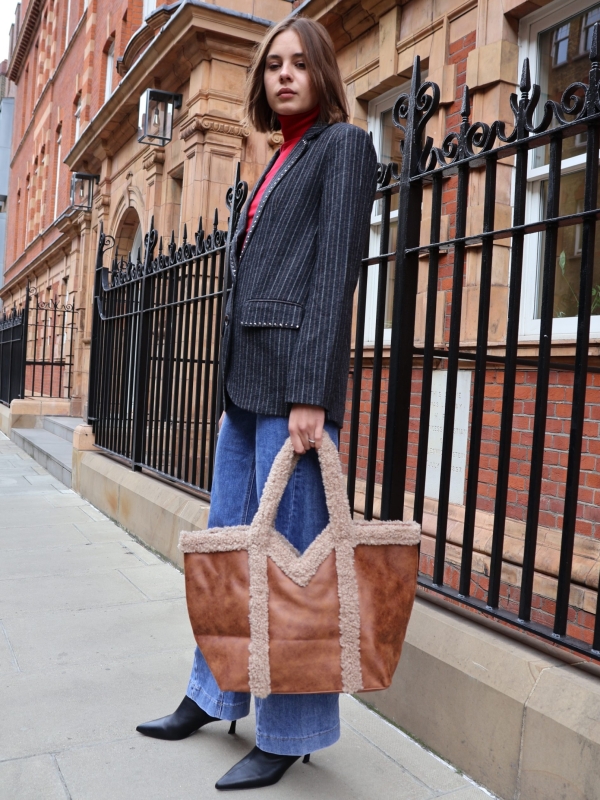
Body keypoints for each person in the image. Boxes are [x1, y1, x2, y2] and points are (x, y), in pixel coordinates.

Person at [136, 15, 377, 791]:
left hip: (291, 396)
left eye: (299, 64)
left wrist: (313, 395)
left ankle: (292, 730)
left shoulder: (342, 147)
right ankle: (214, 690)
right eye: (273, 64)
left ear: (322, 74)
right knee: (228, 556)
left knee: (292, 568)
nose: (282, 75)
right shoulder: (274, 158)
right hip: (243, 391)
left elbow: (333, 272)